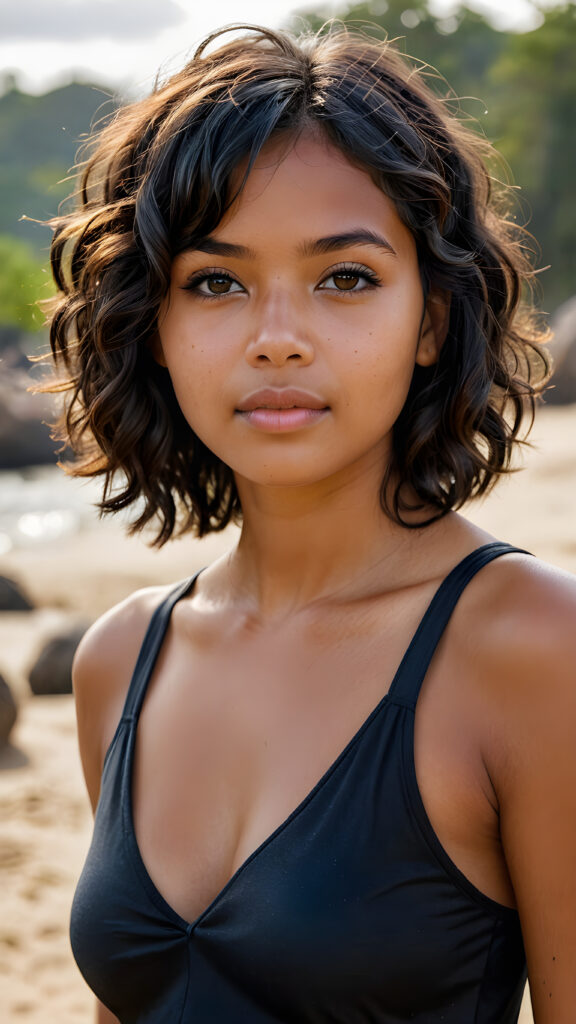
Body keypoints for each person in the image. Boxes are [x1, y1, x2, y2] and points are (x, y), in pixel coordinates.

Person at [46, 22, 576, 1024]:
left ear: (430, 319)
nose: (277, 339)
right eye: (216, 281)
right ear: (155, 323)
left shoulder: (536, 648)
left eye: (345, 277)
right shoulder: (120, 660)